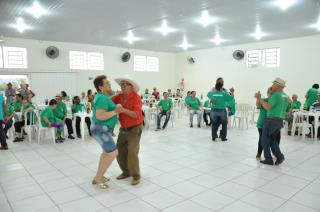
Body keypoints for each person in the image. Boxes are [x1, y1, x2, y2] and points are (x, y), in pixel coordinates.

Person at [113, 75, 144, 186]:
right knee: (119, 151)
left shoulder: (136, 98)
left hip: (135, 128)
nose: (123, 86)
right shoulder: (119, 96)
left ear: (132, 87)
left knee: (132, 152)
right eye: (122, 85)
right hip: (123, 128)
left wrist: (123, 110)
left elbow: (136, 115)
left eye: (126, 84)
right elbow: (109, 102)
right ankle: (126, 172)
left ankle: (136, 176)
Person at [91, 75, 120, 189]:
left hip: (101, 129)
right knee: (113, 152)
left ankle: (99, 176)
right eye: (107, 83)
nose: (110, 84)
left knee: (106, 153)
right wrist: (115, 111)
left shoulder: (103, 96)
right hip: (100, 129)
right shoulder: (102, 98)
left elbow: (112, 98)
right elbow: (100, 115)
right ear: (100, 87)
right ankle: (98, 178)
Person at [255, 78, 288, 165]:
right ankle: (280, 156)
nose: (272, 86)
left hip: (271, 120)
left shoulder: (276, 95)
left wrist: (259, 98)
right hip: (279, 120)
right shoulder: (285, 96)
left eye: (273, 84)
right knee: (272, 140)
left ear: (278, 85)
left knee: (265, 140)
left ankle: (268, 159)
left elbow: (267, 107)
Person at [256, 87, 272, 159]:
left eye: (273, 93)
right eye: (270, 93)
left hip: (272, 124)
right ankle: (259, 153)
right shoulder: (264, 100)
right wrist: (258, 98)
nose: (271, 95)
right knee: (262, 139)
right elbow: (258, 105)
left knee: (272, 139)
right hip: (262, 123)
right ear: (268, 93)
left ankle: (271, 154)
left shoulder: (276, 101)